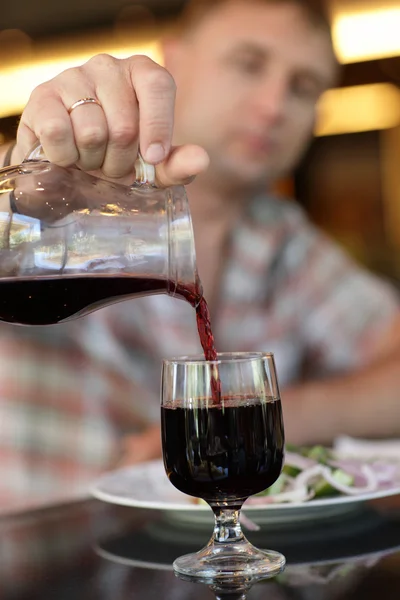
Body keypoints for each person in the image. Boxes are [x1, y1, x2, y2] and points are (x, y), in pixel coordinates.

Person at [0, 0, 400, 511]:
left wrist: (268, 416)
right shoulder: (43, 199)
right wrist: (29, 174)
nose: (274, 105)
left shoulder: (286, 244)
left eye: (303, 86)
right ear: (174, 62)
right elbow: (22, 211)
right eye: (248, 63)